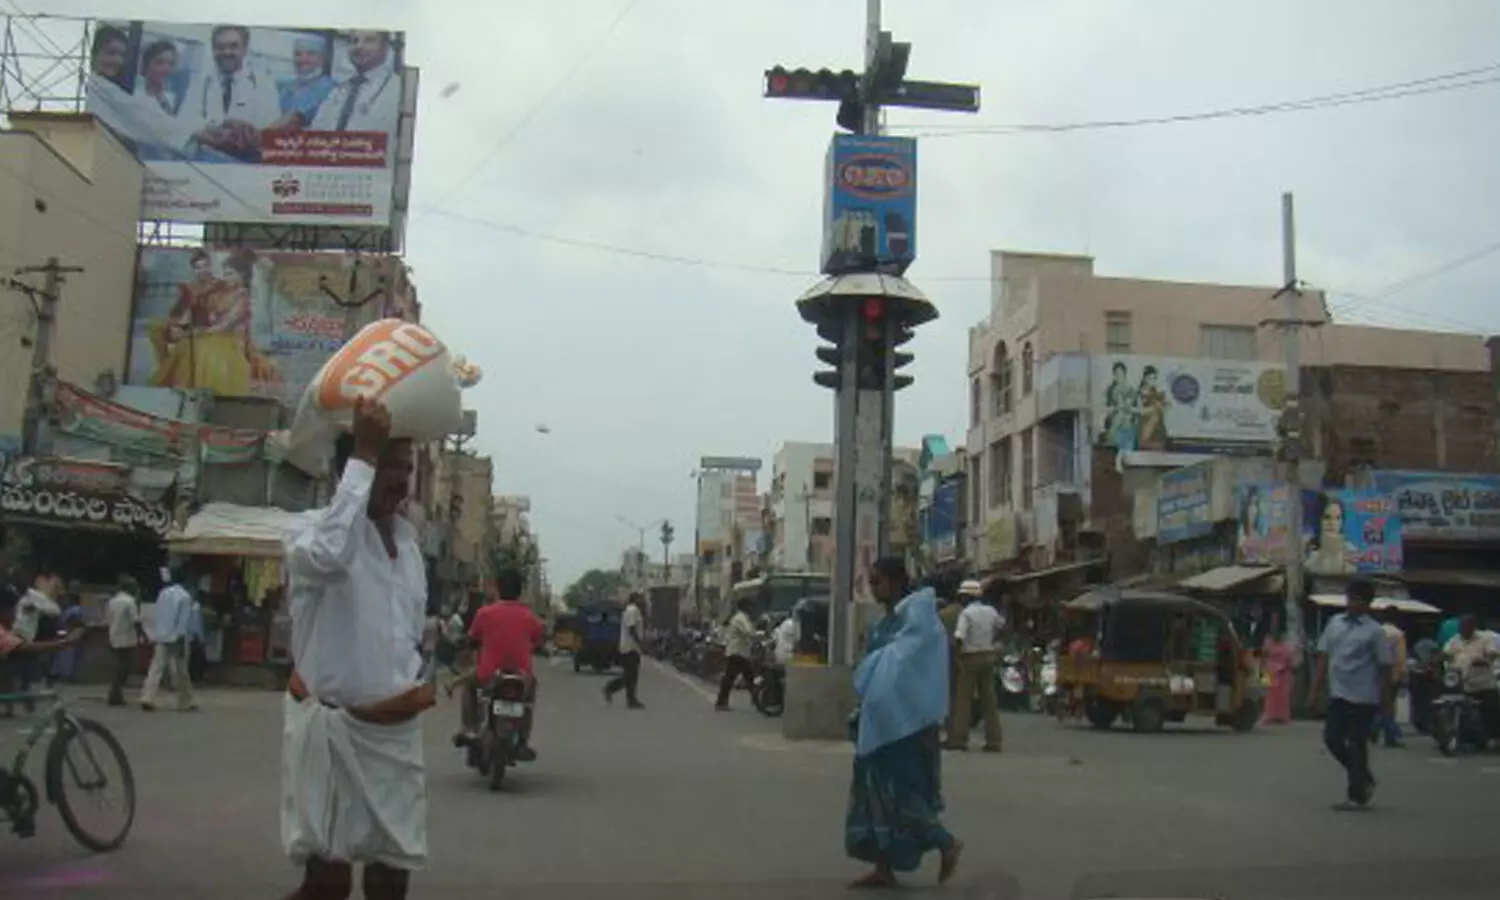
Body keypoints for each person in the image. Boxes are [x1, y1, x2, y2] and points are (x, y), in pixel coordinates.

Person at [280, 397, 435, 900]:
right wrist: (365, 455)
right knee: (327, 881)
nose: (400, 480)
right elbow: (330, 558)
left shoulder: (409, 546)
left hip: (394, 736)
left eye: (406, 469)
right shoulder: (307, 534)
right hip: (331, 733)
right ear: (354, 469)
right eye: (388, 466)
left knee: (393, 873)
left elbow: (406, 632)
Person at [846, 557, 963, 889]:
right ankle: (883, 867)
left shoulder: (919, 620)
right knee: (872, 794)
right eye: (871, 580)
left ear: (898, 581)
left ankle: (946, 842)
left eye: (878, 580)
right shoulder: (890, 621)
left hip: (906, 726)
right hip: (879, 721)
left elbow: (907, 666)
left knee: (902, 793)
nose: (873, 586)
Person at [1308, 578, 1392, 810]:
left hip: (1364, 696)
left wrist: (1386, 699)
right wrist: (1314, 691)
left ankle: (1356, 794)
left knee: (1356, 744)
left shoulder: (1375, 632)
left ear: (1368, 603)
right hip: (1339, 693)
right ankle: (1363, 776)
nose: (1353, 603)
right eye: (1351, 598)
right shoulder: (1335, 623)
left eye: (1359, 600)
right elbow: (1323, 657)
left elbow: (1385, 666)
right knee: (1332, 739)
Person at [456, 569, 545, 759]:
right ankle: (523, 739)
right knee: (527, 700)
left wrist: (468, 644)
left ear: (498, 588)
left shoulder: (485, 613)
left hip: (489, 674)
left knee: (469, 687)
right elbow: (539, 642)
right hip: (521, 676)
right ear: (520, 591)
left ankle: (470, 728)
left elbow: (471, 638)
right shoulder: (530, 617)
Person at [947, 584, 1004, 753]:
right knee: (990, 700)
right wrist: (992, 642)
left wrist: (956, 656)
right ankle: (994, 740)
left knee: (963, 699)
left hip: (970, 657)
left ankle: (959, 739)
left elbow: (959, 637)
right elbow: (1003, 627)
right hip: (988, 655)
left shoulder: (966, 613)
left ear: (966, 597)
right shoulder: (991, 611)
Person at [312, 31, 401, 133]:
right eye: (354, 41)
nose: (359, 46)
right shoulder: (338, 91)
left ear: (385, 48)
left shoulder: (399, 89)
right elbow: (316, 131)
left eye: (369, 40)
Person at [140, 568, 197, 712]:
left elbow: (157, 613)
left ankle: (147, 696)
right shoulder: (185, 596)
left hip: (161, 635)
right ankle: (185, 701)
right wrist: (180, 638)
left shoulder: (163, 593)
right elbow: (183, 621)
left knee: (156, 667)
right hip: (176, 636)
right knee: (181, 670)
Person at [1442, 614, 1500, 740]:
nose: (1463, 630)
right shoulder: (1455, 640)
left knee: (1491, 713)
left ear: (1473, 627)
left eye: (1466, 627)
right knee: (1456, 708)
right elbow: (1445, 653)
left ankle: (1493, 738)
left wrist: (1485, 660)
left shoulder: (1485, 638)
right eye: (1462, 627)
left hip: (1483, 683)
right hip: (1462, 682)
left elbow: (1492, 653)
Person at [1369, 607, 1407, 748]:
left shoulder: (1376, 632)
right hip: (1391, 673)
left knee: (1377, 704)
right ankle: (1390, 736)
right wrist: (1402, 675)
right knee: (1389, 706)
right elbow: (1400, 658)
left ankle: (1373, 730)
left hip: (1375, 673)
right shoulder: (1398, 634)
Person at [603, 593, 645, 709]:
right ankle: (610, 688)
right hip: (630, 647)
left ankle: (631, 700)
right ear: (635, 599)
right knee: (629, 676)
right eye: (640, 598)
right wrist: (640, 644)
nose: (643, 600)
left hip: (632, 647)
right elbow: (631, 629)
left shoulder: (632, 610)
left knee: (631, 676)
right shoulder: (632, 610)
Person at [105, 576, 142, 707]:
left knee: (120, 667)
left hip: (114, 636)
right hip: (127, 638)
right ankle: (114, 695)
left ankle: (116, 694)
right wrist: (142, 636)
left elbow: (108, 619)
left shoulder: (113, 601)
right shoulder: (130, 602)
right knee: (124, 668)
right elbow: (136, 621)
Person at [715, 598, 757, 711]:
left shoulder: (741, 617)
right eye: (751, 606)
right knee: (733, 677)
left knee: (746, 676)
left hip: (738, 652)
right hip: (737, 652)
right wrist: (758, 635)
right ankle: (721, 702)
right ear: (747, 607)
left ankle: (757, 699)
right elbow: (749, 631)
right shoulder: (741, 618)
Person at [1259, 617, 1297, 725]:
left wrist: (1288, 667)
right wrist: (1261, 673)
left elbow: (1290, 660)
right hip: (1269, 670)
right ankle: (1268, 715)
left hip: (1283, 673)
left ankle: (1282, 716)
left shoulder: (1287, 645)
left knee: (1283, 696)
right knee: (1268, 695)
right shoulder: (1267, 642)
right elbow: (1263, 657)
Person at [47, 593, 87, 686]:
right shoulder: (66, 610)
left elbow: (77, 623)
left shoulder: (75, 610)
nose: (64, 601)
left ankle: (68, 676)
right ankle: (62, 675)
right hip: (65, 636)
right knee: (63, 657)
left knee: (70, 657)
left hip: (71, 636)